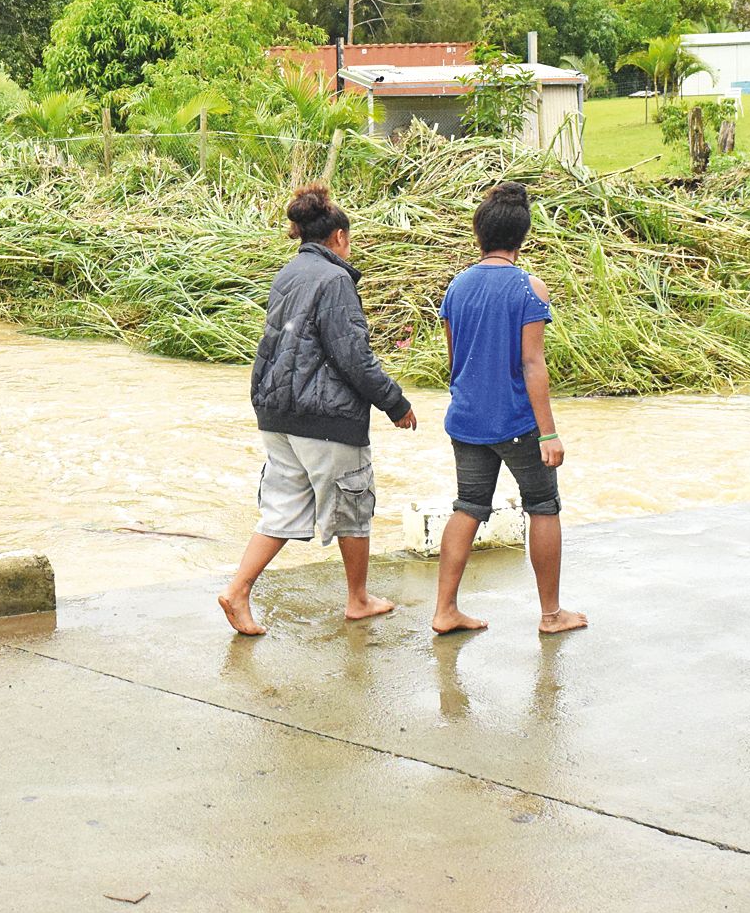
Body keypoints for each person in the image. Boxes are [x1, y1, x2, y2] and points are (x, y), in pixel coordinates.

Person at [218, 184, 418, 636]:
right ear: (340, 238)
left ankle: (237, 591)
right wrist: (395, 403)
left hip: (277, 413)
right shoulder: (336, 280)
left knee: (281, 510)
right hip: (325, 419)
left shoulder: (288, 273)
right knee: (353, 504)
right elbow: (353, 356)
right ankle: (359, 599)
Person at [429, 182, 585, 637]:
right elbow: (532, 364)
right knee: (543, 506)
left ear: (479, 233)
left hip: (467, 419)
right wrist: (549, 432)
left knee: (469, 508)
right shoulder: (528, 288)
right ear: (522, 236)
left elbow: (455, 359)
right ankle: (552, 615)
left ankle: (445, 610)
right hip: (516, 422)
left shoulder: (456, 287)